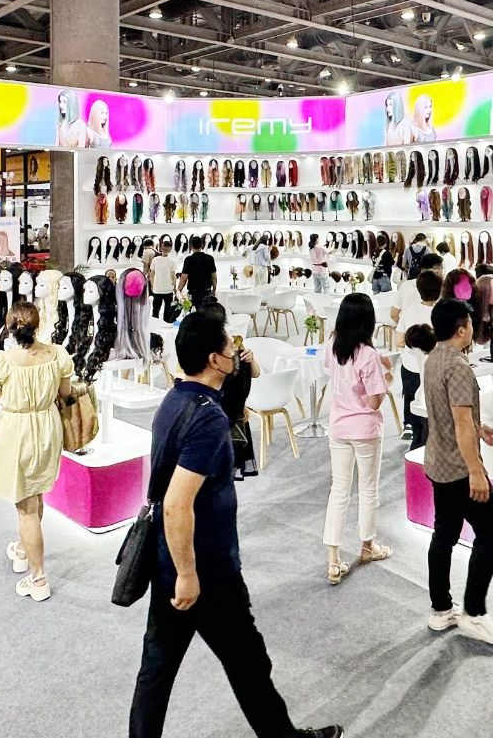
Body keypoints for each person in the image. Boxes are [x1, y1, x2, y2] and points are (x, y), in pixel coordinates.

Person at [128, 311, 343, 738]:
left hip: (170, 560)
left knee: (158, 670)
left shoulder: (175, 400)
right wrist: (188, 574)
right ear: (213, 359)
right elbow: (177, 504)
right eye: (230, 347)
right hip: (205, 569)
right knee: (248, 662)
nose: (235, 352)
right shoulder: (207, 418)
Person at [422, 298, 493, 646]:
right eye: (471, 324)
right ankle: (474, 613)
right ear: (461, 330)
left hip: (438, 462)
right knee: (491, 533)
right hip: (459, 468)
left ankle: (441, 609)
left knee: (444, 534)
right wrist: (476, 470)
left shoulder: (434, 358)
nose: (474, 329)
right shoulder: (459, 367)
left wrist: (478, 427)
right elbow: (459, 420)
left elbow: (454, 415)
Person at [0, 302, 73, 598]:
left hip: (17, 431)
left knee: (26, 507)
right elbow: (66, 392)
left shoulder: (2, 361)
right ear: (38, 324)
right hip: (47, 427)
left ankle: (38, 578)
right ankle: (22, 549)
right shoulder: (57, 355)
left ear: (9, 327)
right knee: (36, 493)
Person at [322, 293, 392, 585]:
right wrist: (387, 378)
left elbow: (336, 375)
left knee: (339, 490)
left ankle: (333, 560)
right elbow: (374, 401)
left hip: (338, 426)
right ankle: (367, 547)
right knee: (367, 489)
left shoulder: (332, 344)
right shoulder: (368, 355)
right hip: (364, 430)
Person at [199, 300, 260, 480]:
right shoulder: (200, 349)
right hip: (213, 415)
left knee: (226, 473)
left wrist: (251, 359)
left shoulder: (233, 345)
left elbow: (255, 373)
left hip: (234, 415)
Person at [396, 270, 441, 443]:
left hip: (410, 365)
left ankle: (411, 429)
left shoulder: (409, 311)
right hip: (436, 368)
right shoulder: (441, 313)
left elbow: (399, 341)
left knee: (412, 400)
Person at [390, 251, 442, 325]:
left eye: (441, 269)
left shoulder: (405, 285)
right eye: (436, 272)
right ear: (423, 270)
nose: (441, 274)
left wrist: (404, 328)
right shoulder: (441, 289)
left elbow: (393, 314)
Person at [176, 234, 217, 310]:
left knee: (194, 314)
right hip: (207, 291)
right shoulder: (210, 258)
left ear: (191, 246)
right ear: (202, 245)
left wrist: (179, 290)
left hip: (193, 293)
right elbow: (214, 277)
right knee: (206, 313)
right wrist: (214, 291)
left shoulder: (189, 259)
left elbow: (184, 278)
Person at [148, 241, 177, 320]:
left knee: (156, 309)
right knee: (166, 309)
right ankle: (165, 322)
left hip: (159, 288)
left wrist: (152, 285)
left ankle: (156, 322)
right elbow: (173, 275)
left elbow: (152, 274)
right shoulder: (171, 261)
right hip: (166, 289)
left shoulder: (156, 260)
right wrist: (174, 286)